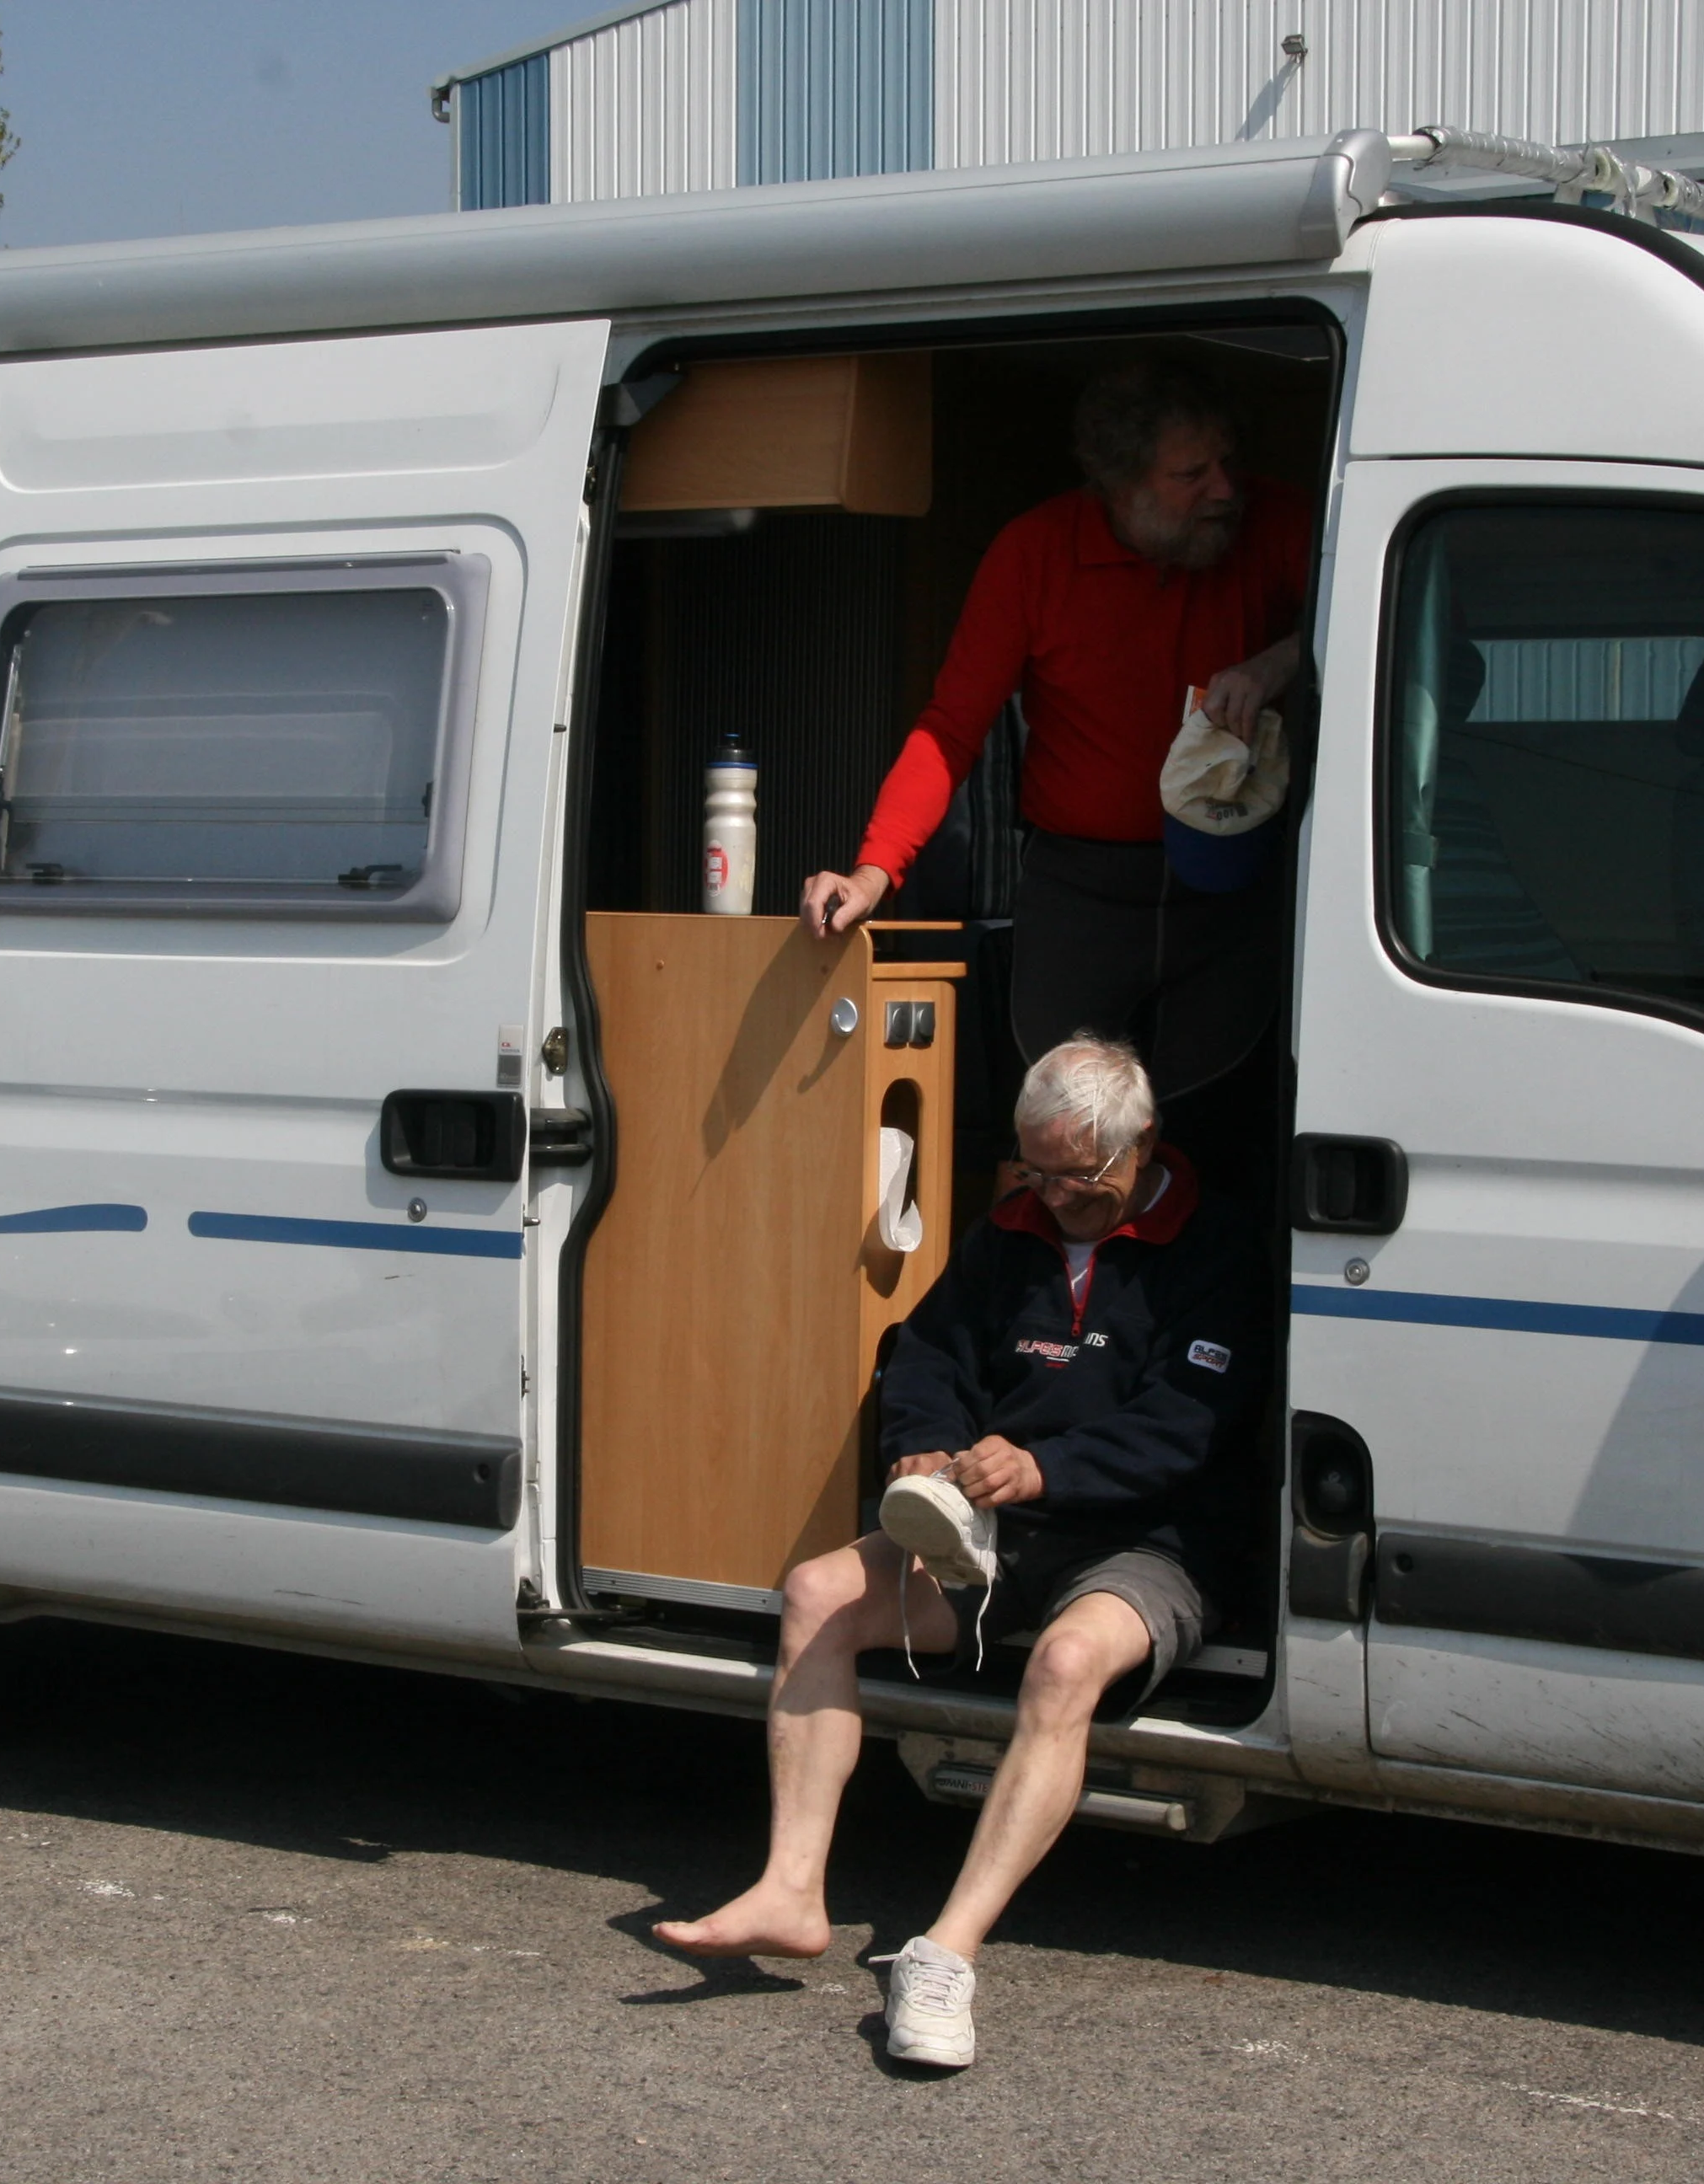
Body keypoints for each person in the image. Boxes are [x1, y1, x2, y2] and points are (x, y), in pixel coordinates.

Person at [650, 1036, 1271, 2069]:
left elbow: (1190, 1424)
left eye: (1079, 1178)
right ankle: (791, 1889)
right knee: (816, 1591)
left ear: (1144, 1143)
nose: (1055, 1199)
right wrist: (924, 1443)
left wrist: (1042, 1467)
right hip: (997, 1526)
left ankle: (945, 1952)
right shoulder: (1008, 1228)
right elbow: (928, 1354)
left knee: (1066, 1663)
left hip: (1155, 1537)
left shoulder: (1222, 1244)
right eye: (1037, 1172)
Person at [800, 359, 1310, 1105]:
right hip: (1081, 890)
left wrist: (1282, 661)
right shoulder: (1035, 553)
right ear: (1121, 484)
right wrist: (874, 871)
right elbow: (950, 729)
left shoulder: (1273, 520)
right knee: (1064, 1122)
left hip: (1231, 882)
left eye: (1228, 462)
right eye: (1191, 474)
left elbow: (1389, 626)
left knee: (1219, 1115)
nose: (1225, 490)